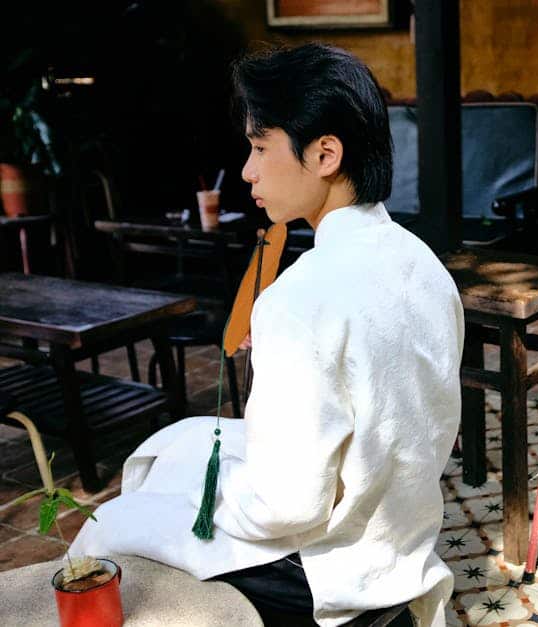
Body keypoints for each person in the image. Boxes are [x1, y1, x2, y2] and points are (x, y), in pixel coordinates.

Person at [70, 43, 464, 627]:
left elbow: (288, 506)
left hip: (327, 564)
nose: (248, 170)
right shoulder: (425, 264)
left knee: (112, 522)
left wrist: (207, 502)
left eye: (259, 147)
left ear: (325, 154)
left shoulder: (298, 297)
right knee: (182, 442)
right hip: (403, 528)